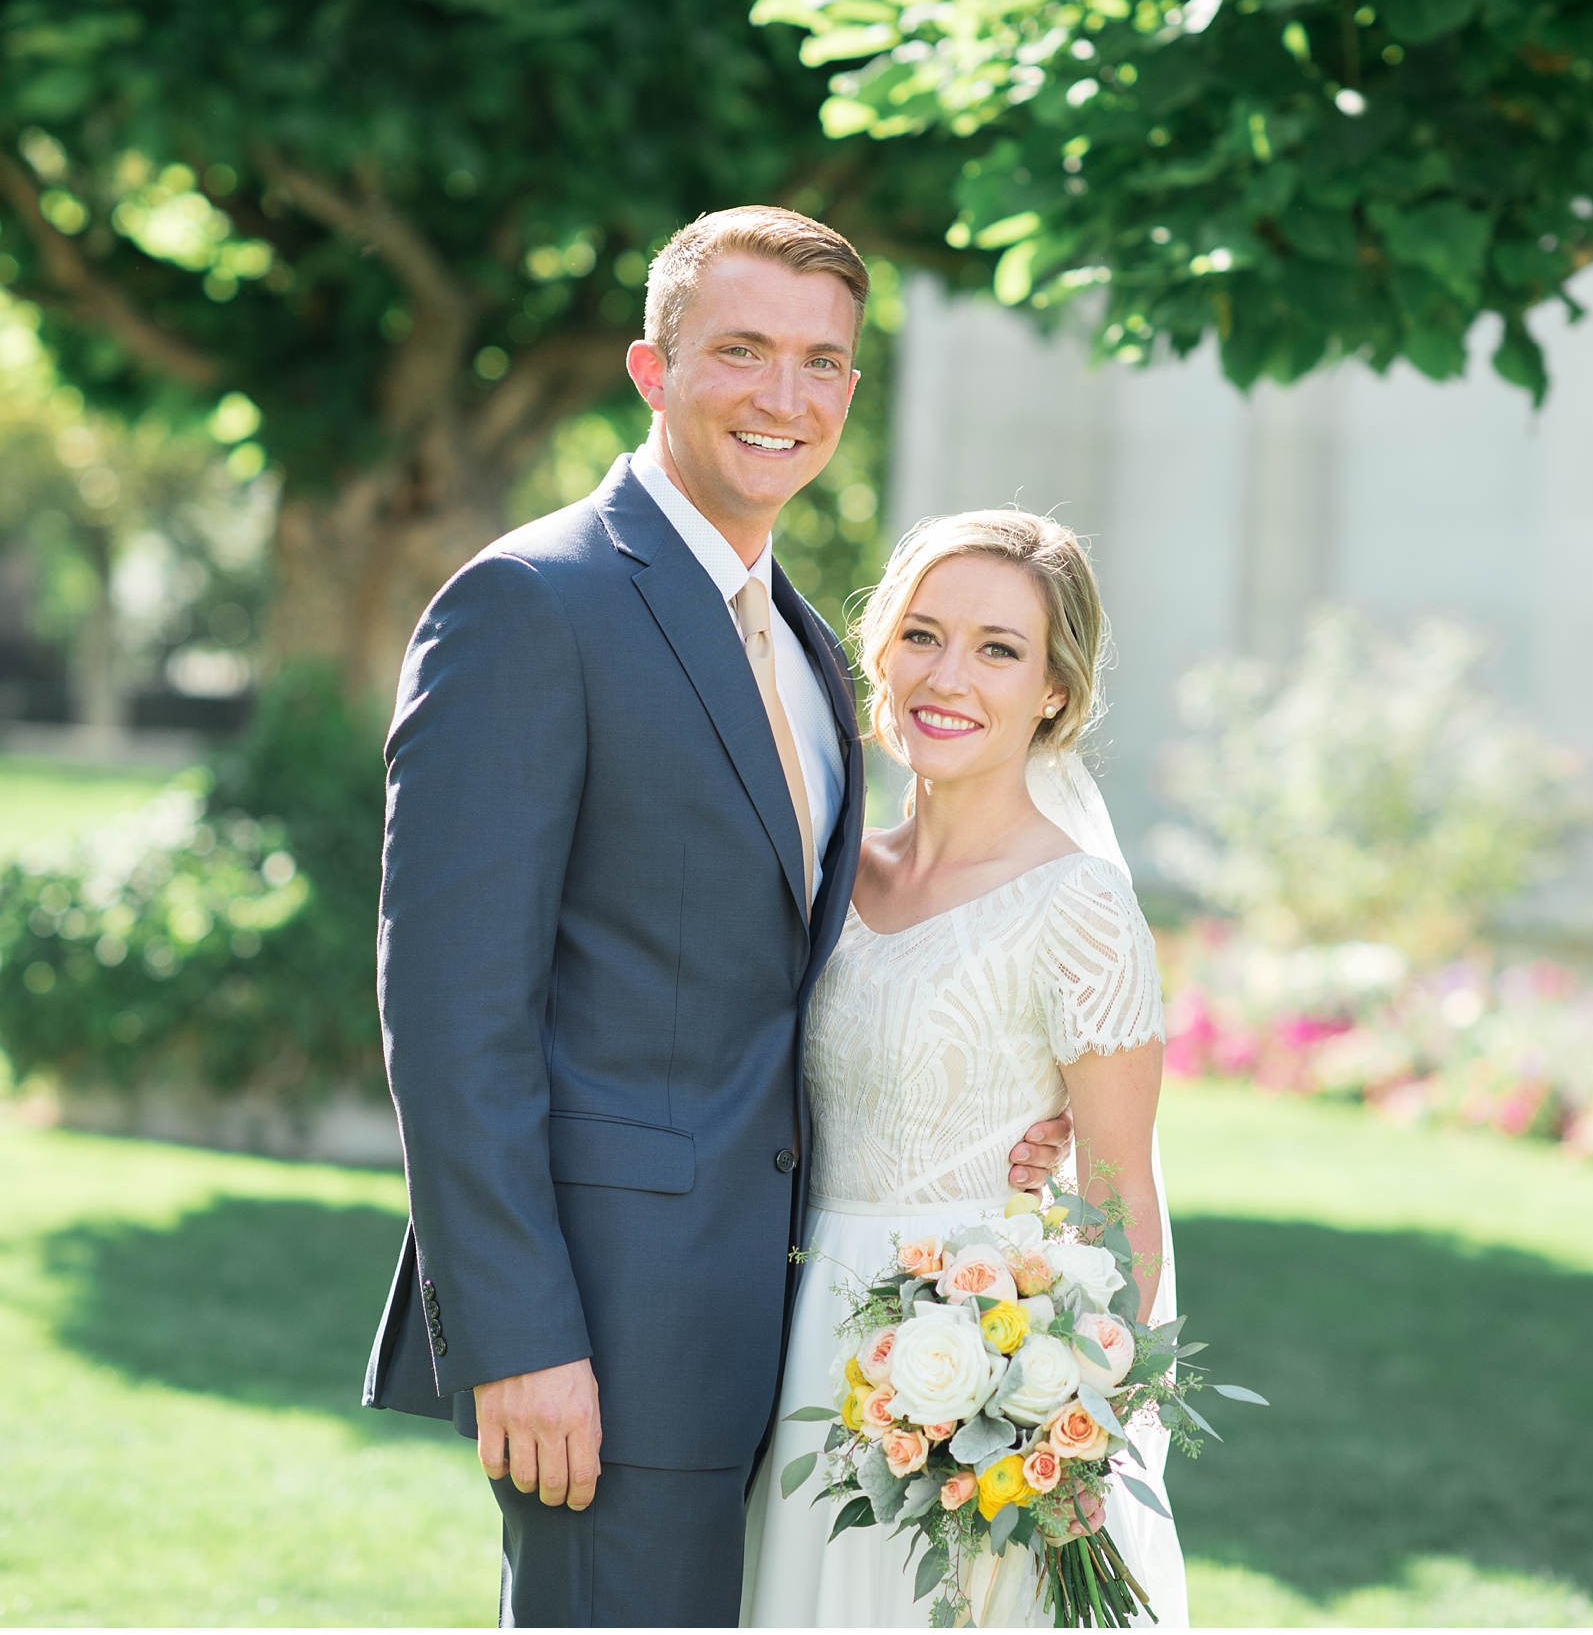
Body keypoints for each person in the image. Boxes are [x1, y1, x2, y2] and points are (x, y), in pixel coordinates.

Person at [362, 207, 1075, 1628]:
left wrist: (985, 1118)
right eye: (741, 351)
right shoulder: (530, 603)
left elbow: (776, 970)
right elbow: (452, 1018)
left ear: (851, 394)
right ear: (652, 366)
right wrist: (517, 1337)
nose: (784, 396)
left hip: (812, 1340)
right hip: (609, 1342)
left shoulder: (809, 642)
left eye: (821, 362)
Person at [738, 510, 1189, 1626]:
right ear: (879, 651)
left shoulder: (1077, 903)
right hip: (777, 1344)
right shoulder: (822, 858)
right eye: (922, 634)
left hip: (967, 1373)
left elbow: (1120, 1190)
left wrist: (1059, 1424)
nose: (948, 676)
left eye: (999, 649)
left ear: (1053, 691)